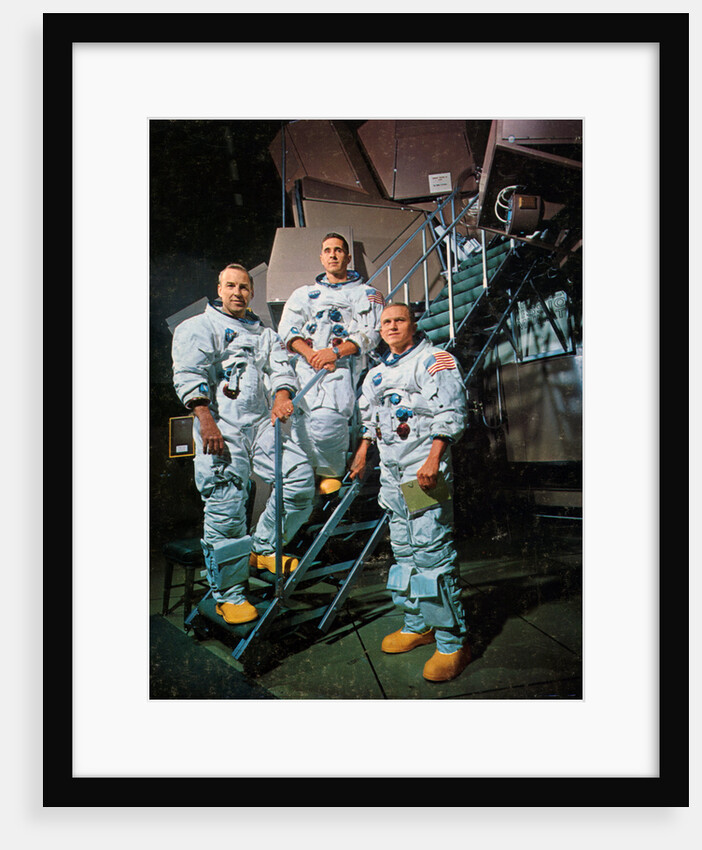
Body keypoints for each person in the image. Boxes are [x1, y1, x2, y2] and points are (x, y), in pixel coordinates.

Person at [171, 263, 315, 625]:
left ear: (252, 293)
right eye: (231, 286)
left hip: (260, 422)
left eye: (244, 287)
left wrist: (282, 395)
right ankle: (229, 595)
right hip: (220, 425)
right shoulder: (199, 328)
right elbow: (190, 374)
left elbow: (281, 369)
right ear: (219, 289)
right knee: (226, 510)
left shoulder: (264, 334)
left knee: (299, 482)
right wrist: (205, 421)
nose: (238, 292)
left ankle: (264, 547)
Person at [349, 302, 471, 682]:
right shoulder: (376, 375)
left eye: (399, 320)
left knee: (430, 552)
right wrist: (363, 450)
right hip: (392, 475)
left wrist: (434, 459)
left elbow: (451, 413)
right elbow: (372, 421)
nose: (391, 326)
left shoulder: (434, 361)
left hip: (420, 475)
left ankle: (452, 642)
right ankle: (418, 624)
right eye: (385, 322)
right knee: (403, 553)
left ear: (412, 324)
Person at [276, 233, 385, 495]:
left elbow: (371, 333)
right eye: (328, 250)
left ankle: (332, 476)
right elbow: (287, 329)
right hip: (305, 367)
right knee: (302, 430)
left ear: (348, 257)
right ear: (321, 258)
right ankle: (308, 484)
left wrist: (334, 353)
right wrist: (311, 354)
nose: (333, 254)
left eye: (338, 250)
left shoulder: (368, 294)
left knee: (329, 425)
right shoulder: (304, 294)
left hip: (343, 369)